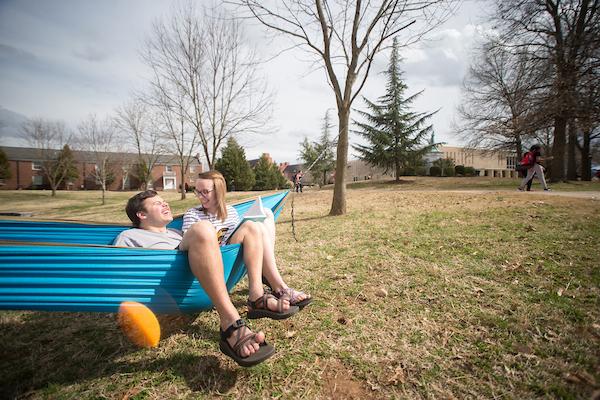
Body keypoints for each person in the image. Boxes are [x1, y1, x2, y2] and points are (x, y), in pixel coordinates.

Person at [113, 190, 275, 367]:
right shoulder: (128, 236)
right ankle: (230, 322)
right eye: (157, 203)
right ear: (142, 215)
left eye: (164, 201)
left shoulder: (176, 232)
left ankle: (256, 295)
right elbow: (118, 272)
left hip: (204, 275)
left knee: (250, 226)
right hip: (170, 283)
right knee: (202, 227)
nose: (165, 204)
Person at [183, 171, 312, 314]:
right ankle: (277, 288)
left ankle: (259, 293)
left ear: (219, 191)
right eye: (197, 191)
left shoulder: (231, 212)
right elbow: (190, 248)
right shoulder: (192, 215)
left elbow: (237, 241)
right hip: (208, 265)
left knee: (253, 225)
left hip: (230, 262)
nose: (200, 196)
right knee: (252, 226)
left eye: (205, 192)